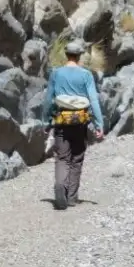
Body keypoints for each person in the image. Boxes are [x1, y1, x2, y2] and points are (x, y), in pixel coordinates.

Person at [46, 40, 104, 209]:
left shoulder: (56, 74)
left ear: (66, 54)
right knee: (77, 158)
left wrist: (46, 121)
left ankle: (60, 186)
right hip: (80, 123)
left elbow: (48, 100)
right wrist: (99, 124)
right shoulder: (86, 75)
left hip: (61, 122)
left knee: (62, 158)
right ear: (79, 56)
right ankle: (71, 197)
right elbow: (93, 100)